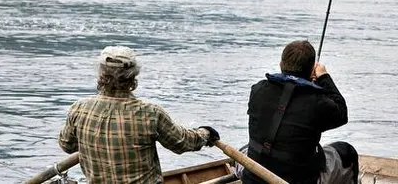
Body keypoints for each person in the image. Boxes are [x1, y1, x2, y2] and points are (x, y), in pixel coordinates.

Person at [57, 46, 220, 184]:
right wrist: (205, 134)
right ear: (133, 76)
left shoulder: (79, 109)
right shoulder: (150, 113)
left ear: (101, 74)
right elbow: (182, 142)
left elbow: (67, 145)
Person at [236, 40, 359, 184]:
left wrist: (307, 84)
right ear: (311, 70)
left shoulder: (257, 89)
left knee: (246, 149)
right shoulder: (318, 102)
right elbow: (341, 114)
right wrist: (324, 77)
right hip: (299, 180)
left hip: (253, 177)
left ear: (281, 64)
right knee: (347, 152)